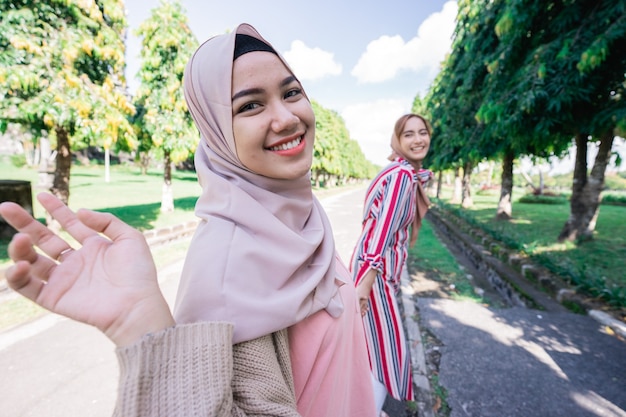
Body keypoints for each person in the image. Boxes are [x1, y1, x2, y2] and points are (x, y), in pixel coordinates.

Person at [0, 23, 376, 417]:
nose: (285, 118)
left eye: (291, 92)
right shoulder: (232, 268)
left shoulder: (299, 214)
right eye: (250, 105)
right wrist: (140, 324)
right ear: (216, 134)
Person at [349, 113, 433, 416]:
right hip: (375, 274)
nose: (418, 139)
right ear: (398, 140)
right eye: (408, 134)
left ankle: (365, 408)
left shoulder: (401, 173)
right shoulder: (401, 176)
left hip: (375, 271)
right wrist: (367, 280)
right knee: (389, 352)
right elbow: (383, 230)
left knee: (372, 348)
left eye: (422, 132)